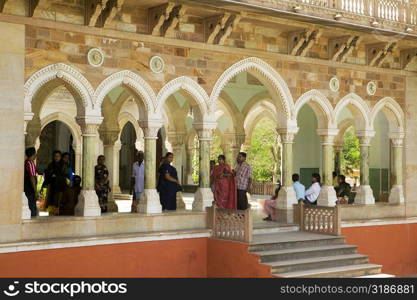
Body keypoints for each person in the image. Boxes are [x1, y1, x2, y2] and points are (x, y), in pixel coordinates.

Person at [43, 150, 67, 215]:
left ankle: (58, 211)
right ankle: (51, 212)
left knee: (59, 199)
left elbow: (64, 174)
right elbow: (47, 173)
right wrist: (52, 175)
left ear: (60, 157)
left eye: (58, 156)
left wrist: (56, 176)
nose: (56, 158)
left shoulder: (63, 165)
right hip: (52, 185)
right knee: (51, 199)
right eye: (55, 156)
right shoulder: (51, 165)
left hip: (60, 185)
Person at [24, 147, 38, 217]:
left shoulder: (25, 162)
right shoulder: (30, 163)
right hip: (30, 189)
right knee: (32, 209)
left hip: (26, 189)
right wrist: (35, 191)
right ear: (33, 154)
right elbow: (32, 177)